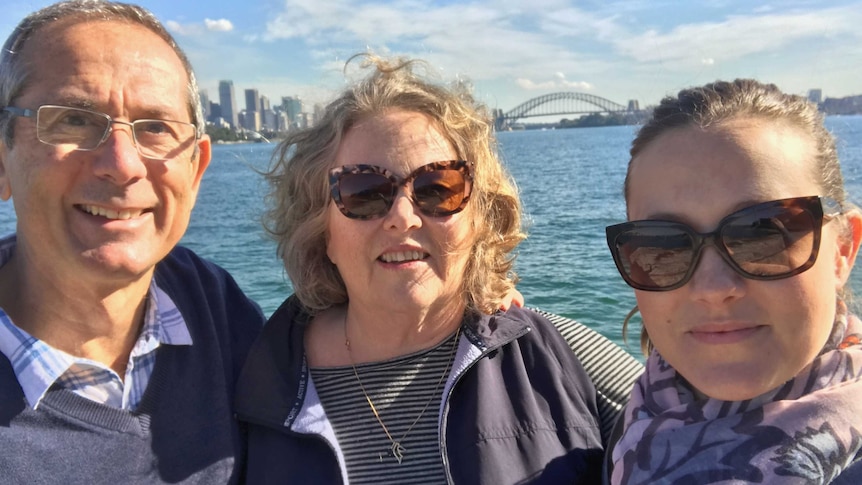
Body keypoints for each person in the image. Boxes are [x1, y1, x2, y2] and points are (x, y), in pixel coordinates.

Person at [235, 55, 604, 484]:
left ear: (478, 218)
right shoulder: (250, 385)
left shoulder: (547, 355)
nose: (403, 217)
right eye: (365, 192)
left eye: (437, 188)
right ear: (323, 232)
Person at [0, 1, 263, 482]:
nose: (122, 164)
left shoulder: (218, 311)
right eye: (75, 120)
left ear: (196, 169)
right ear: (2, 159)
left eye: (156, 128)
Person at [603, 79, 862, 484]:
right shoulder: (636, 429)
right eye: (662, 246)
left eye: (763, 235)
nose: (712, 288)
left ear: (843, 249)